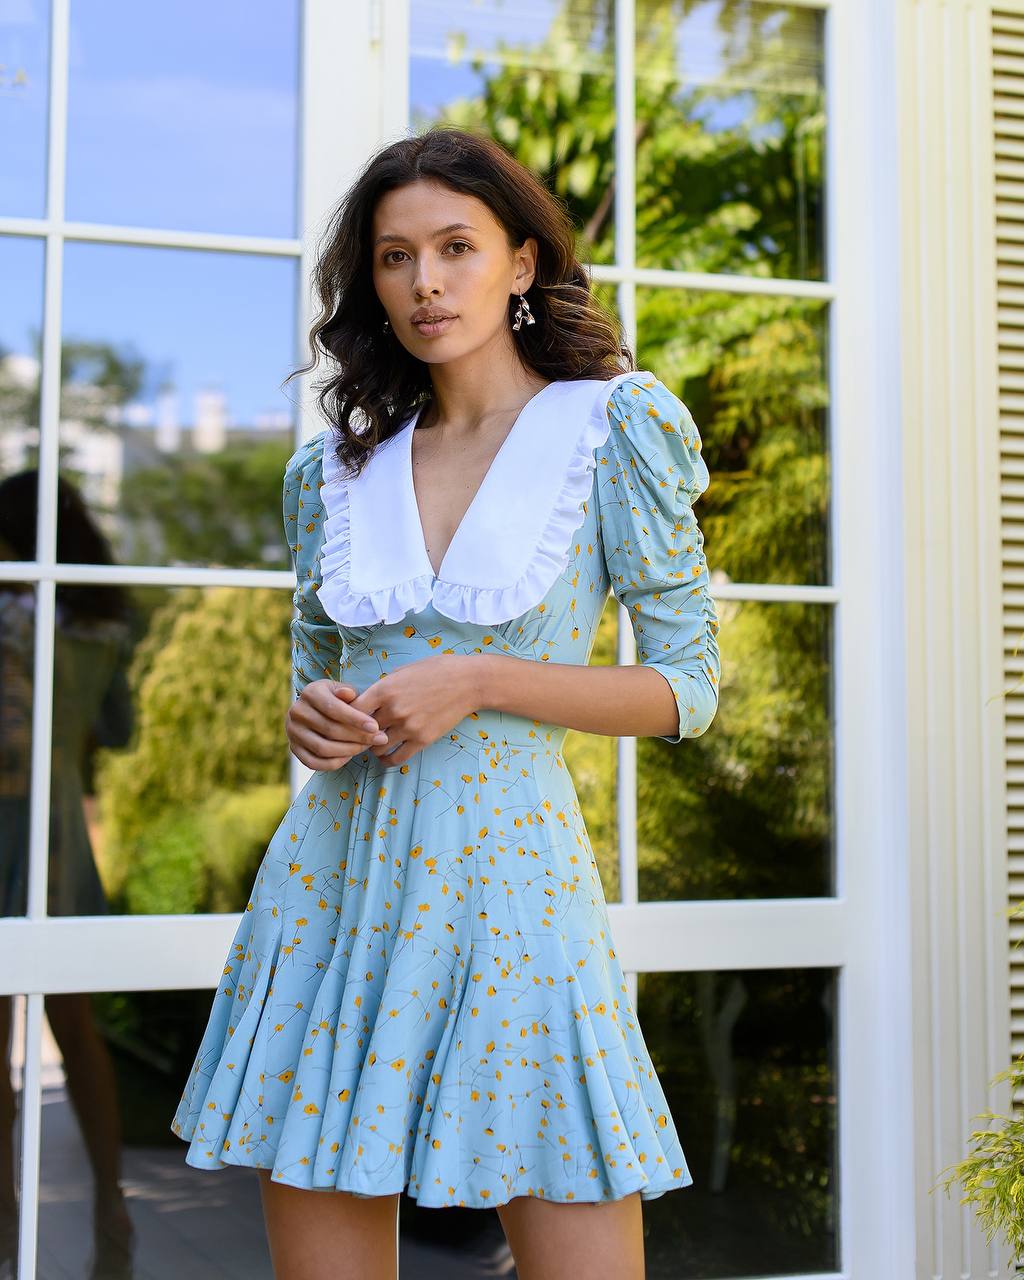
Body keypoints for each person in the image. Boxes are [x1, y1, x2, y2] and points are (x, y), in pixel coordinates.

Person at [170, 125, 721, 1280]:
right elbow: (315, 678)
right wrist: (313, 715)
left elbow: (685, 687)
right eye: (394, 256)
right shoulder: (330, 472)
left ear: (521, 261)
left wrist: (482, 677)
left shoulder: (611, 428)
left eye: (456, 246)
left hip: (514, 899)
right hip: (331, 897)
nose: (425, 280)